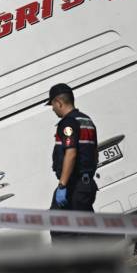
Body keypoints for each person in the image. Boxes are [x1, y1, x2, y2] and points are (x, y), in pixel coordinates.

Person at [48, 82, 99, 225]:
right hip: (86, 185)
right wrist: (87, 176)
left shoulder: (68, 123)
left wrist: (62, 185)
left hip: (73, 186)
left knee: (63, 231)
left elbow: (71, 153)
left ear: (58, 102)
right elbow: (95, 153)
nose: (52, 109)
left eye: (52, 105)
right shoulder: (86, 120)